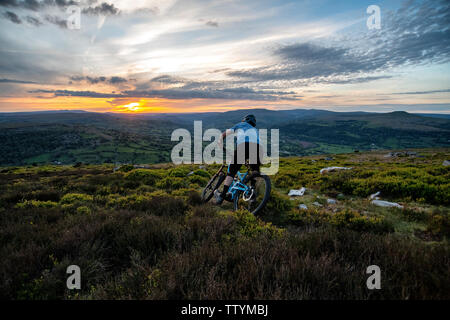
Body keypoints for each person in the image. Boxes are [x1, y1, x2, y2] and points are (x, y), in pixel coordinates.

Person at [214, 114, 263, 205]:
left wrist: (220, 142)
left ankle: (222, 196)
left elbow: (224, 134)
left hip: (243, 146)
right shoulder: (255, 130)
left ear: (244, 120)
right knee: (255, 171)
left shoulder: (240, 125)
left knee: (232, 171)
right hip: (258, 148)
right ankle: (252, 195)